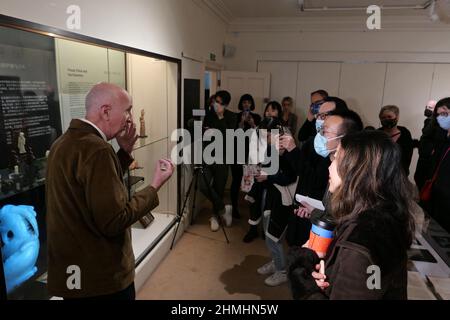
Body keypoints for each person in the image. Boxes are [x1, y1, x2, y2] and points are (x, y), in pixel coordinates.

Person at [46, 83, 174, 300]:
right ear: (105, 111)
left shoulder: (63, 142)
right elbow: (115, 219)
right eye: (127, 110)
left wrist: (124, 153)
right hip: (101, 278)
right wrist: (155, 185)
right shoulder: (98, 149)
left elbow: (90, 188)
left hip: (73, 272)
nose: (131, 118)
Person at [287, 130, 415, 300]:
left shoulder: (359, 244)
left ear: (357, 170)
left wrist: (301, 272)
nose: (330, 166)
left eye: (337, 157)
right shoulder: (384, 218)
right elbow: (371, 285)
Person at [280, 106, 362, 248]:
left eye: (325, 131)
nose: (320, 135)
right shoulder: (322, 153)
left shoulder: (353, 178)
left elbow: (341, 220)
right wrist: (314, 212)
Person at [243, 101, 282, 242]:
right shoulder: (258, 128)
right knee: (254, 201)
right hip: (256, 167)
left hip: (272, 171)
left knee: (268, 203)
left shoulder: (282, 129)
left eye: (273, 110)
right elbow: (252, 149)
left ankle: (268, 231)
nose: (270, 113)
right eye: (268, 110)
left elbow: (280, 153)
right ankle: (252, 230)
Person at [201, 90, 237, 231]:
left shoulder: (231, 117)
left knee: (219, 188)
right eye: (216, 100)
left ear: (226, 104)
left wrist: (221, 117)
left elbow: (230, 136)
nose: (216, 104)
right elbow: (206, 133)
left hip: (223, 157)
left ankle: (215, 216)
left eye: (220, 102)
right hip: (208, 155)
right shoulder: (209, 115)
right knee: (203, 185)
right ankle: (223, 209)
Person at [230, 94, 261, 219]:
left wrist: (253, 124)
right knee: (236, 180)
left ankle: (252, 210)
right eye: (244, 102)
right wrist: (241, 123)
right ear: (241, 104)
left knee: (252, 181)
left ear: (251, 104)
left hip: (252, 154)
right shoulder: (235, 117)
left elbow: (260, 135)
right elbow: (233, 135)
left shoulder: (257, 117)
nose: (246, 104)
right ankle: (234, 208)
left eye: (248, 102)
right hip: (237, 153)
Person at [423, 98, 450, 232]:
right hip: (436, 196)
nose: (441, 118)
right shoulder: (441, 135)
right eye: (439, 115)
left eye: (445, 114)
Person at [414, 100, 447, 190]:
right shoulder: (430, 122)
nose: (427, 109)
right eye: (426, 107)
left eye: (430, 108)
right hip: (425, 159)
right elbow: (425, 139)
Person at [378, 105, 413, 176]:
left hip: (399, 176)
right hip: (379, 175)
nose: (386, 119)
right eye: (383, 118)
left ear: (397, 117)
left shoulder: (405, 134)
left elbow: (407, 158)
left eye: (389, 117)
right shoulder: (377, 134)